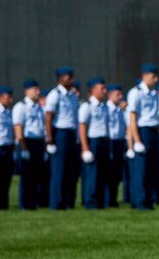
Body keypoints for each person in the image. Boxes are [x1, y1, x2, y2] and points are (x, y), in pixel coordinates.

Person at [126, 64, 159, 211]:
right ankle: (139, 201)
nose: (156, 79)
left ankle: (148, 199)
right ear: (145, 76)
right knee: (141, 170)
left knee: (151, 169)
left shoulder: (155, 93)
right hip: (143, 131)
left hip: (154, 131)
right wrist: (137, 140)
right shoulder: (136, 93)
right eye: (153, 76)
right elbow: (133, 118)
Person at [46, 67, 81, 210]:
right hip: (60, 134)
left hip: (71, 134)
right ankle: (57, 202)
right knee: (59, 170)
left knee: (71, 170)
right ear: (60, 79)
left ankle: (69, 201)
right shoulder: (55, 94)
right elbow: (48, 118)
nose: (72, 80)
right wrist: (50, 139)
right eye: (69, 77)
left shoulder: (73, 95)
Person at [12, 80, 49, 209]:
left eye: (38, 90)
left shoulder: (39, 107)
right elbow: (18, 129)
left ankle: (34, 203)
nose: (38, 92)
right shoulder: (21, 106)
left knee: (36, 176)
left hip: (38, 143)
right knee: (27, 177)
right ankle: (25, 204)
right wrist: (23, 149)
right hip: (27, 143)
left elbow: (43, 128)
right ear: (27, 91)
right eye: (35, 90)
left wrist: (44, 149)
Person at [78, 78, 112, 209]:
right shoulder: (87, 106)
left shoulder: (103, 107)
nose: (105, 91)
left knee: (103, 173)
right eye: (101, 89)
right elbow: (82, 128)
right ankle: (90, 201)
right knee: (92, 173)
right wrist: (85, 148)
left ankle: (101, 200)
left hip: (103, 141)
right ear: (93, 90)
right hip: (93, 141)